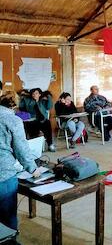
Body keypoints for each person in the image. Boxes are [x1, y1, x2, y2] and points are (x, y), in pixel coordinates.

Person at [0, 90, 40, 230]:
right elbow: (21, 149)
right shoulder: (13, 120)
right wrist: (33, 168)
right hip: (4, 174)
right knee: (7, 217)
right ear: (14, 106)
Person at [19, 88, 55, 152]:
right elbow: (21, 107)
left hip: (43, 120)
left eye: (36, 93)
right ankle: (35, 145)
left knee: (47, 123)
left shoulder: (43, 101)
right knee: (30, 127)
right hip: (32, 120)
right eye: (33, 94)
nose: (34, 95)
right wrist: (22, 98)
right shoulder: (28, 101)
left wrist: (48, 97)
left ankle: (50, 144)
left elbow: (49, 107)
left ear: (39, 94)